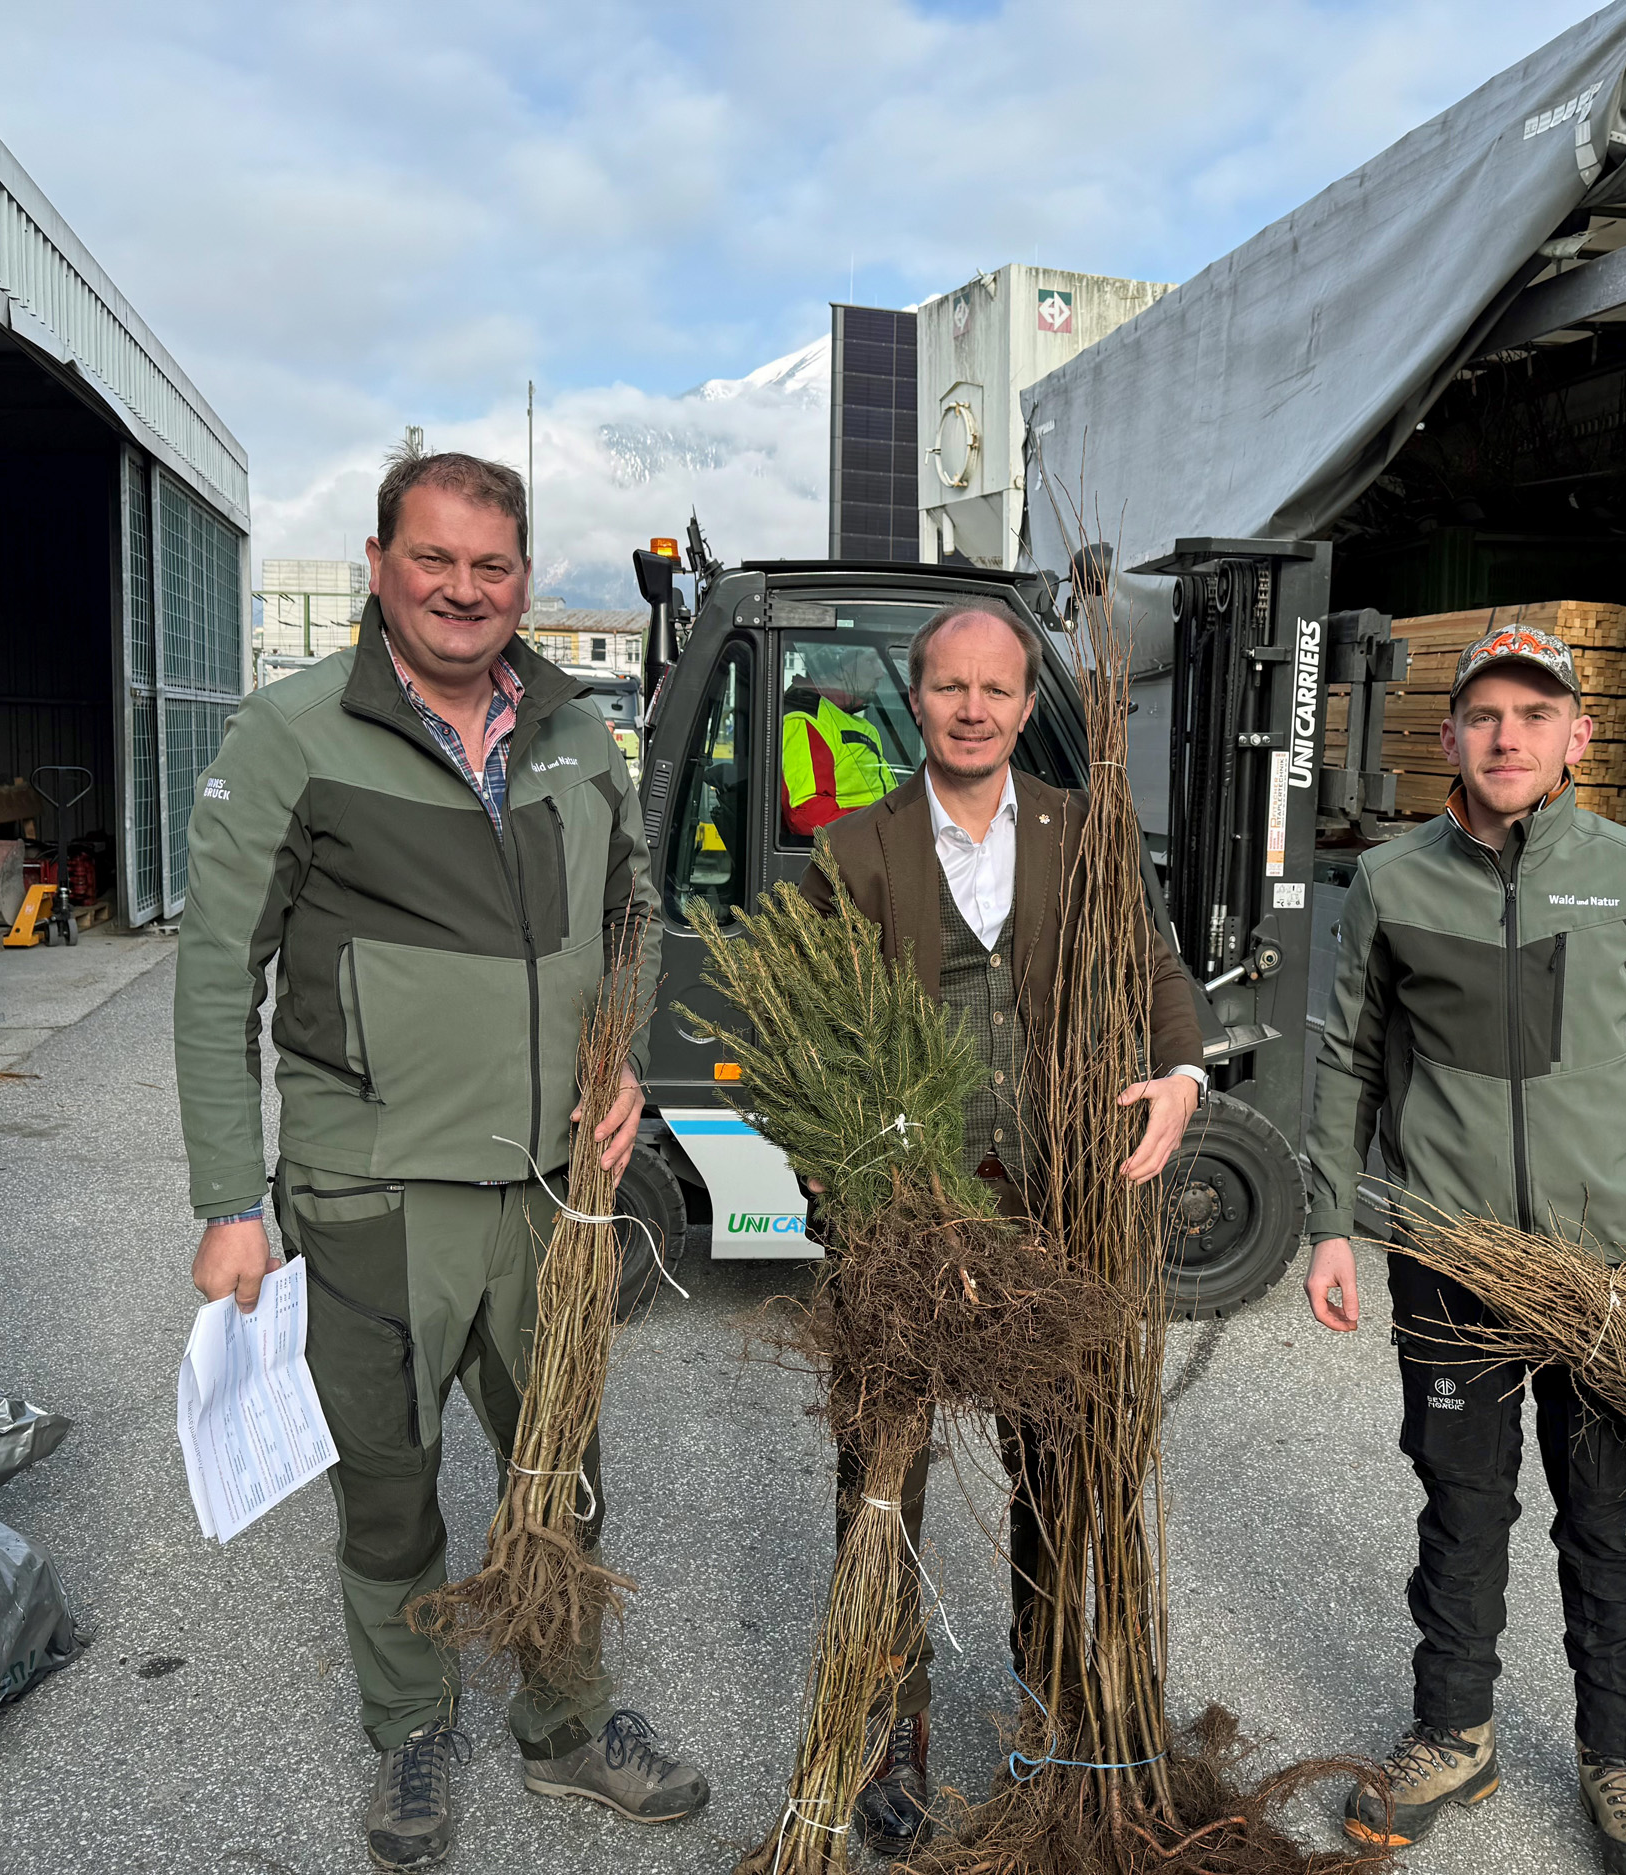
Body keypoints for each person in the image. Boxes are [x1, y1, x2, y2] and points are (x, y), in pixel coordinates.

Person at [175, 447, 709, 1871]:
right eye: (433, 559)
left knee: (561, 1469)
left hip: (550, 1194)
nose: (462, 590)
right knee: (389, 1480)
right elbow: (216, 973)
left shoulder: (576, 733)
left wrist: (622, 1064)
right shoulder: (292, 735)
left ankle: (567, 1719)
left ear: (523, 580)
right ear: (378, 565)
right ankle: (411, 1725)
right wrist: (228, 1199)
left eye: (491, 565)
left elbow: (633, 914)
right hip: (372, 1195)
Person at [1299, 625, 1626, 1875]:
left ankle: (1620, 1760)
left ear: (1575, 736)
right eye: (1485, 715)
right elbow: (1346, 1057)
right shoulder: (1391, 883)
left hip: (1605, 1267)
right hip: (1452, 1259)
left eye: (1534, 714)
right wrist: (1331, 1224)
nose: (1508, 737)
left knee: (1605, 1518)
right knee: (1462, 1502)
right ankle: (1455, 1734)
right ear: (1448, 737)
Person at [794, 602, 1207, 1854]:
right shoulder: (853, 853)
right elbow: (806, 1042)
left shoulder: (1085, 833)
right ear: (914, 700)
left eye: (996, 689)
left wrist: (1181, 1072)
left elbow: (1154, 967)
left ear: (1029, 708)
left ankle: (1052, 1689)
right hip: (907, 1216)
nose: (971, 709)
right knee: (883, 1478)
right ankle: (889, 1721)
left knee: (1063, 1461)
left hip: (1056, 1208)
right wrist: (852, 1196)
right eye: (949, 687)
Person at [780, 641, 898, 837]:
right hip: (856, 848)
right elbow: (808, 814)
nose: (880, 673)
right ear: (840, 668)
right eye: (870, 661)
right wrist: (882, 829)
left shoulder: (850, 720)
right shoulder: (805, 719)